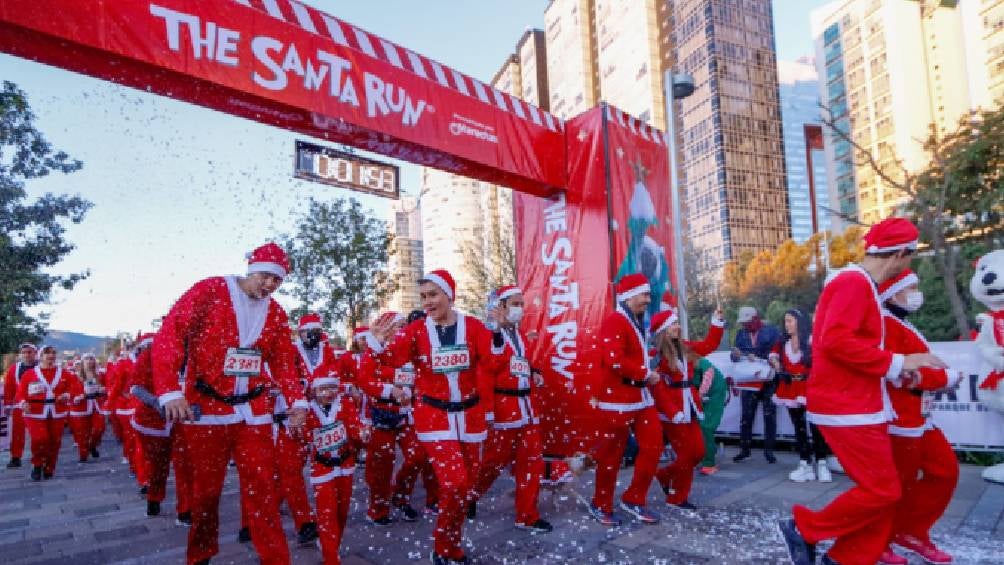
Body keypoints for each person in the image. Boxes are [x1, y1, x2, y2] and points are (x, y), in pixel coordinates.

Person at [778, 217, 948, 565]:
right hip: (846, 405)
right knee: (883, 489)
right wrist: (901, 363)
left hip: (856, 403)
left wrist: (899, 368)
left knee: (884, 490)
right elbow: (836, 341)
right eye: (909, 258)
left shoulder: (857, 283)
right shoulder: (854, 282)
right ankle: (805, 528)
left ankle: (844, 557)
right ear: (900, 253)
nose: (907, 265)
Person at [153, 243, 309, 565]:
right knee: (207, 493)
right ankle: (201, 554)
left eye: (276, 281)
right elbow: (170, 333)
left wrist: (296, 400)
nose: (269, 285)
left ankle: (276, 559)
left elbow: (282, 361)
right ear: (251, 269)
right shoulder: (209, 291)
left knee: (264, 489)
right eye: (265, 277)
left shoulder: (277, 313)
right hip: (208, 409)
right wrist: (169, 389)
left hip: (254, 412)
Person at [367, 269, 493, 565]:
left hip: (469, 417)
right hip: (434, 417)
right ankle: (441, 545)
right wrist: (375, 344)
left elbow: (491, 364)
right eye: (423, 297)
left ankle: (452, 544)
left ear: (449, 295)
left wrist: (498, 335)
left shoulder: (473, 327)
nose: (427, 302)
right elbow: (389, 360)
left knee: (466, 488)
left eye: (433, 295)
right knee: (454, 483)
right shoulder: (416, 331)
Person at [877, 269, 959, 565]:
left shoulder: (899, 323)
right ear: (893, 292)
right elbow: (902, 375)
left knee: (945, 471)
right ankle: (881, 539)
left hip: (920, 416)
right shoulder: (886, 325)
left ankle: (911, 530)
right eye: (911, 287)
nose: (916, 292)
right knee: (899, 484)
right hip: (902, 419)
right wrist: (944, 377)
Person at [470, 285, 553, 532]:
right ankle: (469, 496)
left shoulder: (519, 334)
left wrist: (534, 372)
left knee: (532, 462)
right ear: (502, 306)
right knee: (493, 462)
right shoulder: (489, 334)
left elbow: (521, 363)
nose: (520, 308)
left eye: (521, 304)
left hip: (526, 407)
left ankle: (527, 515)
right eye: (515, 303)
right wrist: (488, 411)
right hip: (503, 408)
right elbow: (484, 373)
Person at [588, 273, 663, 526]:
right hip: (617, 398)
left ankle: (634, 497)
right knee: (611, 455)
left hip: (640, 397)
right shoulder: (615, 321)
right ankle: (601, 503)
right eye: (644, 295)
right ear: (630, 296)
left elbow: (631, 353)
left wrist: (649, 361)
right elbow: (614, 358)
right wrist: (645, 372)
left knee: (653, 446)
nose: (647, 300)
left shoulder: (635, 320)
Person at [359, 311, 439, 525]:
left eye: (405, 325)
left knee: (417, 457)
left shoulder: (410, 350)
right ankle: (378, 509)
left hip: (407, 416)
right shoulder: (373, 351)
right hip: (383, 416)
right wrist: (390, 390)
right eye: (399, 325)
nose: (404, 330)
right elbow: (365, 380)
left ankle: (401, 496)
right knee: (381, 466)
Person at [650, 306, 725, 509]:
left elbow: (709, 344)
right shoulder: (656, 355)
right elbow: (657, 387)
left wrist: (716, 322)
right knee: (686, 454)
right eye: (673, 324)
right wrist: (672, 412)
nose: (677, 327)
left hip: (690, 405)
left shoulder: (684, 347)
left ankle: (665, 475)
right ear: (663, 330)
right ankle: (677, 497)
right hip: (672, 411)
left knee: (699, 452)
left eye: (676, 323)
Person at [305, 372, 363, 565]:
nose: (328, 393)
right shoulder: (308, 410)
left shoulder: (345, 404)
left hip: (345, 466)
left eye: (332, 388)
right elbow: (302, 437)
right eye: (322, 389)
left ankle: (331, 545)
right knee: (327, 513)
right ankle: (331, 558)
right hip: (322, 468)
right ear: (314, 391)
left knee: (342, 512)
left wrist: (363, 434)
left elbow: (355, 427)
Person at [770, 309, 831, 483]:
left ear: (799, 322)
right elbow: (773, 356)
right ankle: (805, 463)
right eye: (785, 321)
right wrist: (777, 365)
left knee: (817, 427)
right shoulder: (783, 343)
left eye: (790, 321)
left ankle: (822, 463)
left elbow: (824, 360)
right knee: (799, 427)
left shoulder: (812, 340)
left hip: (810, 387)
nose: (787, 324)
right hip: (790, 387)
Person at [16, 345, 81, 480]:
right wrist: (23, 403)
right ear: (40, 356)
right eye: (47, 353)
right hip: (34, 412)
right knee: (40, 438)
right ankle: (37, 464)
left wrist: (68, 394)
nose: (50, 356)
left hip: (57, 411)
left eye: (53, 353)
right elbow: (20, 393)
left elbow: (76, 387)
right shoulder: (30, 374)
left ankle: (49, 467)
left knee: (54, 441)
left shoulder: (64, 373)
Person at [731, 306, 781, 463]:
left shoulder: (772, 332)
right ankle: (744, 450)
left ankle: (769, 451)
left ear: (755, 319)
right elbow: (734, 357)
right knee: (746, 415)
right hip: (749, 380)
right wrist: (737, 355)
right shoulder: (741, 334)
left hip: (768, 380)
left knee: (769, 415)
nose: (745, 326)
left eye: (747, 322)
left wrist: (760, 356)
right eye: (743, 323)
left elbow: (778, 353)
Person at [67, 353, 107, 462]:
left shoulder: (100, 374)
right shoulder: (74, 376)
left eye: (91, 359)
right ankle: (83, 454)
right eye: (87, 359)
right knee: (82, 433)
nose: (89, 361)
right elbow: (69, 391)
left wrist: (104, 389)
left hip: (96, 405)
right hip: (81, 407)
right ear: (82, 362)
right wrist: (77, 396)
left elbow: (108, 386)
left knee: (99, 428)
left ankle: (92, 445)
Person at [4, 343, 38, 468]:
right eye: (24, 352)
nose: (26, 355)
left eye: (29, 352)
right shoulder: (14, 368)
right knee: (17, 433)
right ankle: (16, 457)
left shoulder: (41, 367)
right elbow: (9, 387)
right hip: (20, 405)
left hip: (38, 406)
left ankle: (39, 456)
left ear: (35, 353)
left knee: (37, 433)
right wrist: (8, 404)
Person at [694, 355, 727, 475]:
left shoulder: (698, 361)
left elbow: (708, 374)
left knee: (706, 426)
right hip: (702, 396)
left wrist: (699, 395)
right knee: (697, 426)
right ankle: (702, 458)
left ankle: (709, 462)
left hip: (714, 394)